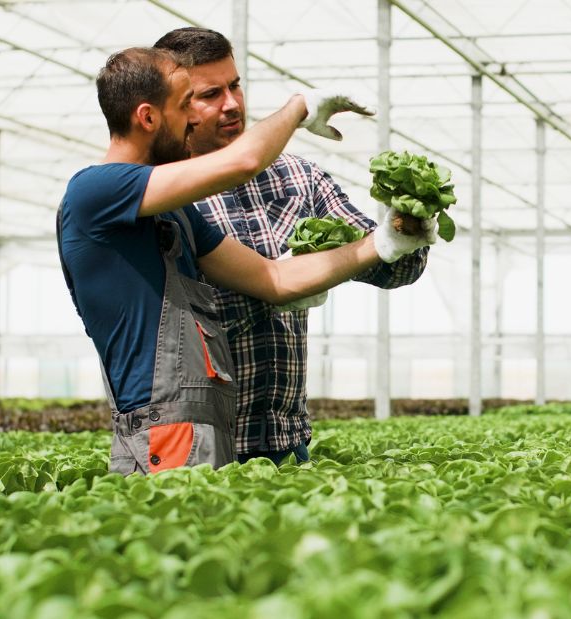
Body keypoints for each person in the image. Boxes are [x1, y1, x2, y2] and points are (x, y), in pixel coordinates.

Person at [57, 47, 435, 475]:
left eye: (234, 86)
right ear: (147, 118)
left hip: (206, 425)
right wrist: (299, 108)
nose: (195, 120)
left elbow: (273, 277)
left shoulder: (176, 214)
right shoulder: (95, 191)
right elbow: (244, 161)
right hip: (164, 427)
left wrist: (383, 243)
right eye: (187, 106)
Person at [153, 28, 430, 466]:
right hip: (194, 447)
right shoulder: (158, 189)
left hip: (284, 439)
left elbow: (392, 267)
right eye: (210, 94)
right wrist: (285, 282)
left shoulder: (299, 178)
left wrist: (403, 230)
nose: (232, 104)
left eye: (235, 86)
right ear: (173, 104)